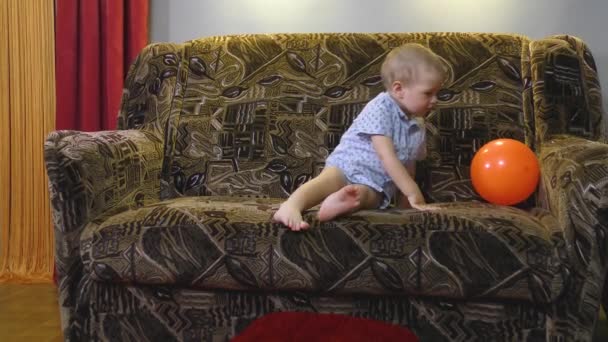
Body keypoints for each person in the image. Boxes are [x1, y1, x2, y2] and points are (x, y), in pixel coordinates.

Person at [272, 43, 447, 231]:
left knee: (367, 197)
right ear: (399, 90)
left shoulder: (418, 125)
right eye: (428, 93)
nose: (435, 100)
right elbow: (386, 156)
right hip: (347, 165)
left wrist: (406, 205)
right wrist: (414, 193)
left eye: (437, 93)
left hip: (377, 184)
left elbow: (409, 167)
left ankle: (341, 202)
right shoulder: (381, 107)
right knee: (324, 183)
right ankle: (291, 206)